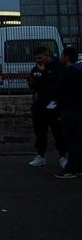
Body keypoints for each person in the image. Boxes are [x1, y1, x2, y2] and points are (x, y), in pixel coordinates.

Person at [41, 46, 82, 178]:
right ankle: (78, 167)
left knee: (70, 139)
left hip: (68, 109)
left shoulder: (67, 72)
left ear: (67, 57)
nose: (60, 57)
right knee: (77, 138)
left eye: (62, 55)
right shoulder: (78, 71)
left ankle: (70, 169)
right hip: (76, 108)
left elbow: (57, 88)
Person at [27, 46, 67, 168]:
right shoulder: (36, 69)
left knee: (58, 132)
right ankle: (40, 156)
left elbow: (56, 86)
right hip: (39, 106)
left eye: (40, 58)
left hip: (53, 105)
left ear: (47, 55)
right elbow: (34, 84)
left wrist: (44, 75)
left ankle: (63, 156)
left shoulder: (58, 67)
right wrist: (32, 84)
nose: (38, 60)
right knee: (40, 132)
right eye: (36, 58)